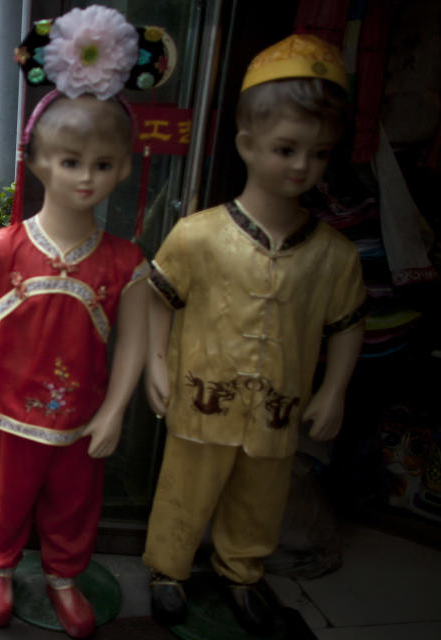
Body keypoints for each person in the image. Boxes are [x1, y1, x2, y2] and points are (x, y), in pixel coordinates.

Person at [143, 35, 368, 635]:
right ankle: (169, 569)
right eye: (286, 148)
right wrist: (156, 365)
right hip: (201, 395)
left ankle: (242, 574)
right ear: (248, 145)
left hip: (277, 408)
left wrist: (335, 389)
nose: (301, 166)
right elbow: (156, 298)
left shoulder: (334, 256)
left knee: (261, 496)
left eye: (318, 154)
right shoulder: (198, 235)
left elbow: (347, 324)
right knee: (185, 486)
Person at [0, 8, 149, 637]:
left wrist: (117, 408)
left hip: (81, 415)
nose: (86, 176)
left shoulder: (125, 261)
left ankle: (65, 575)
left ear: (123, 167)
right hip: (8, 407)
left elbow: (137, 339)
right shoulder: (4, 248)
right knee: (3, 498)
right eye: (70, 161)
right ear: (35, 161)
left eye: (102, 163)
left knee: (75, 502)